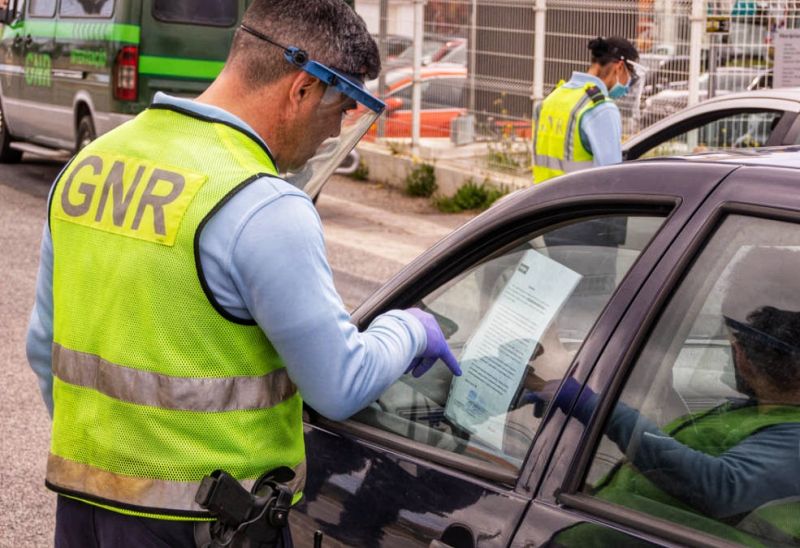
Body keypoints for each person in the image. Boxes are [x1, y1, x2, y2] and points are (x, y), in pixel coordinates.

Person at [25, 1, 460, 546]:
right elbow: (340, 384)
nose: (335, 130)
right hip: (206, 527)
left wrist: (112, 465)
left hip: (84, 512)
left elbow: (43, 346)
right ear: (303, 89)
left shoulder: (91, 165)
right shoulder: (260, 204)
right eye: (342, 107)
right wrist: (411, 329)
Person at [531, 249, 800, 544]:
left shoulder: (793, 436)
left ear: (742, 355)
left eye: (730, 337)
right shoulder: (760, 411)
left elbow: (721, 487)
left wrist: (596, 408)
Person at [532, 36, 645, 184]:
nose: (628, 86)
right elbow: (609, 179)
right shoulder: (601, 109)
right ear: (620, 67)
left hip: (541, 197)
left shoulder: (552, 99)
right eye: (630, 76)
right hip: (577, 197)